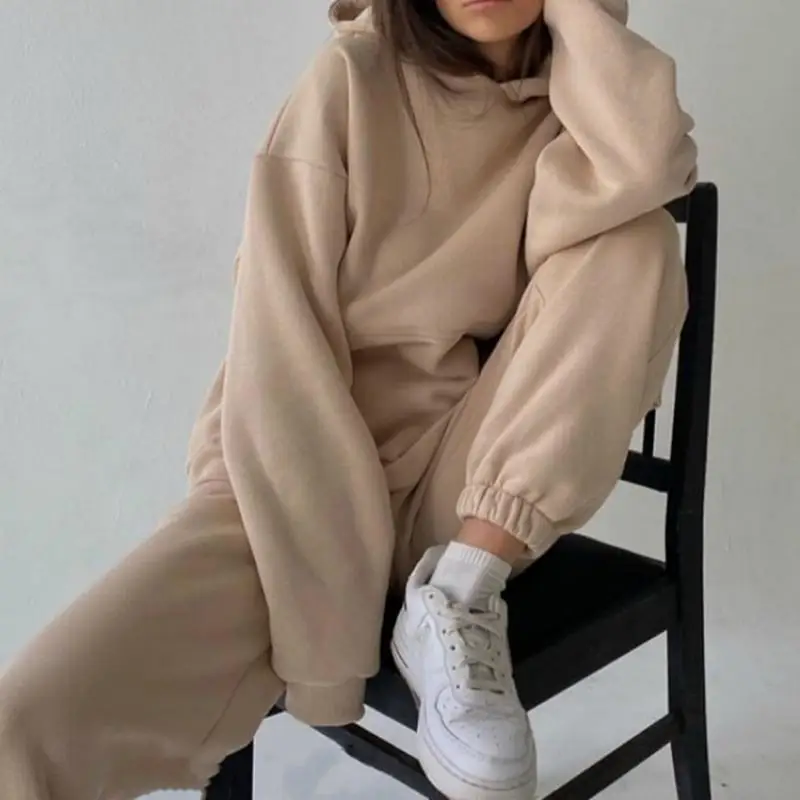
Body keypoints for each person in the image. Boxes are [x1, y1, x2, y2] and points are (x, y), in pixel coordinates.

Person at [0, 0, 696, 798]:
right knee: (27, 726)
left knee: (638, 241)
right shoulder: (351, 81)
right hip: (290, 484)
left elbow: (650, 166)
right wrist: (328, 619)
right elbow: (277, 347)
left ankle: (460, 593)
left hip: (460, 495)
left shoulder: (578, 106)